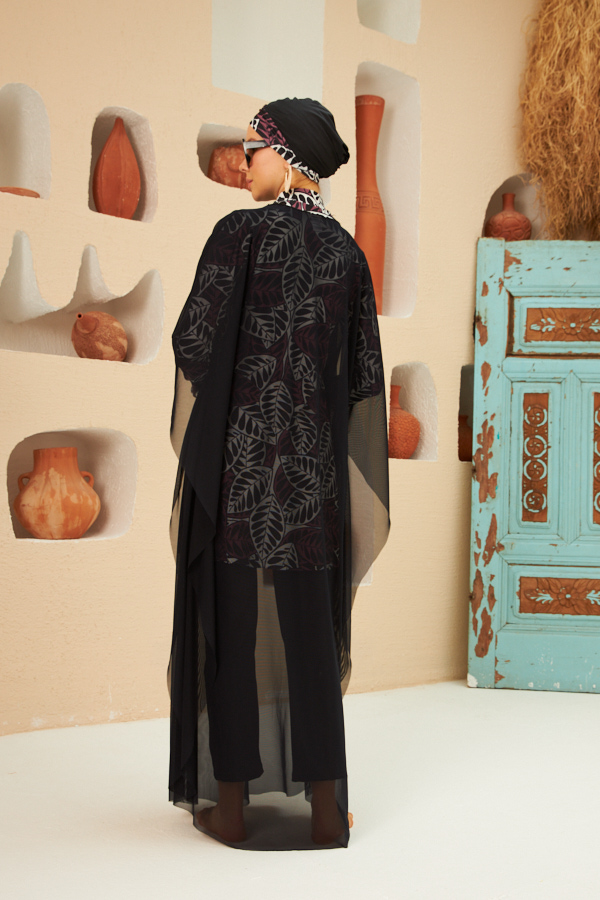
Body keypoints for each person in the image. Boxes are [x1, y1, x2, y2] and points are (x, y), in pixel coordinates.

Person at [168, 98, 390, 850]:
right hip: (311, 479)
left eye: (253, 147)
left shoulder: (237, 235)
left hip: (238, 476)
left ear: (288, 156)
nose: (244, 160)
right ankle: (326, 810)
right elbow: (363, 378)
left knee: (231, 630)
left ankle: (230, 807)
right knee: (311, 635)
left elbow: (193, 343)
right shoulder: (348, 255)